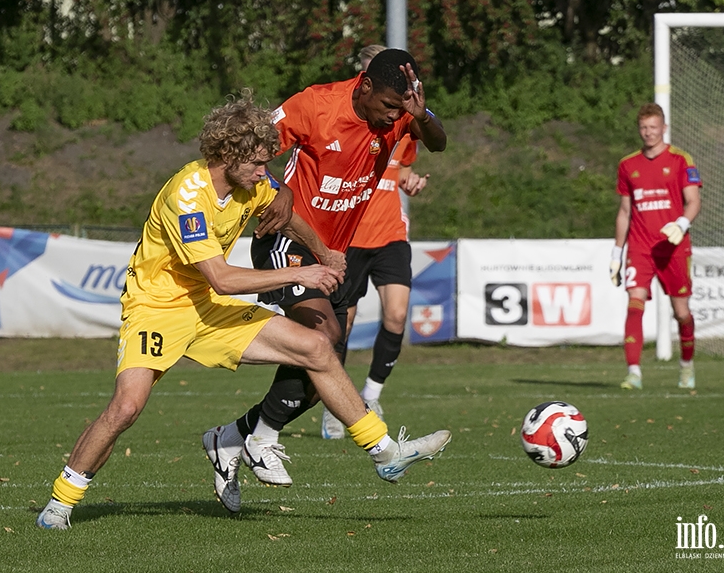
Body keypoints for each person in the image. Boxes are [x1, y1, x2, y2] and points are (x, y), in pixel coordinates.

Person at [35, 92, 451, 529]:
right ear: (227, 155)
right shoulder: (188, 196)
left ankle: (386, 453)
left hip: (208, 308)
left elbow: (285, 213)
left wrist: (323, 252)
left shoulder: (250, 182)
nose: (263, 172)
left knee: (316, 347)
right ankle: (61, 503)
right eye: (256, 163)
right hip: (157, 309)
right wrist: (301, 275)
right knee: (126, 408)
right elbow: (223, 278)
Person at [203, 47, 448, 496]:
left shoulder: (399, 115)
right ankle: (266, 439)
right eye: (388, 105)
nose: (392, 116)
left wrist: (422, 114)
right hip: (288, 241)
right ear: (365, 84)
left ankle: (233, 438)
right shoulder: (315, 105)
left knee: (323, 369)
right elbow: (252, 149)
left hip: (337, 252)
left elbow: (437, 142)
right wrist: (275, 189)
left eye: (401, 108)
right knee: (326, 339)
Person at [320, 44, 430, 440]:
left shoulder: (401, 124)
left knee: (397, 315)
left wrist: (410, 182)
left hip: (389, 235)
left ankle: (373, 394)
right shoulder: (345, 121)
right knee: (341, 326)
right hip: (349, 237)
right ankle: (339, 405)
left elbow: (397, 171)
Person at [610, 102, 702, 391]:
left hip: (673, 248)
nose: (648, 133)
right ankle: (633, 373)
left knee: (681, 312)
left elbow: (694, 201)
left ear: (664, 128)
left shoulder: (680, 160)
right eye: (643, 128)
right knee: (635, 303)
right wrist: (616, 253)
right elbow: (625, 211)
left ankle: (686, 366)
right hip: (640, 247)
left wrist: (682, 224)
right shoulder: (628, 165)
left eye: (653, 127)